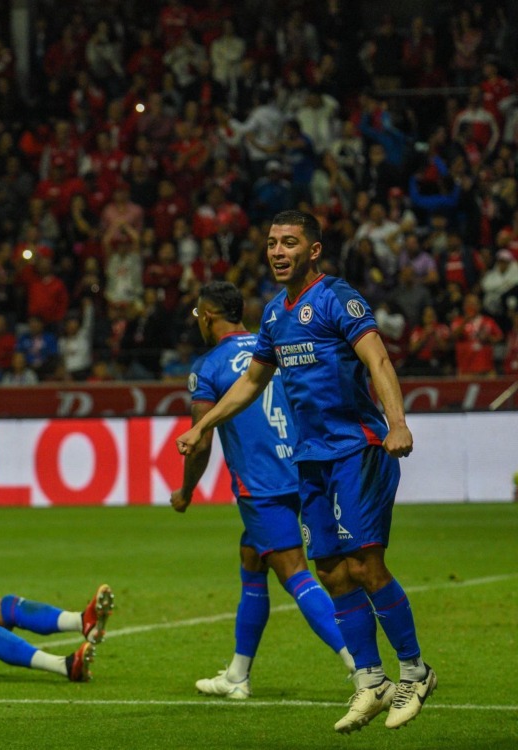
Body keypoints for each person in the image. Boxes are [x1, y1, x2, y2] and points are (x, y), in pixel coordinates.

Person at [177, 211, 435, 733]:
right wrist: (204, 424)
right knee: (332, 572)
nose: (278, 251)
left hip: (356, 449)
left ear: (313, 251)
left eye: (289, 243)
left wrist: (397, 423)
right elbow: (252, 383)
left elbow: (378, 361)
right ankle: (370, 680)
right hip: (310, 459)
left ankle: (415, 671)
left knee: (365, 564)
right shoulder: (274, 314)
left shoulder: (337, 298)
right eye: (273, 242)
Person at [171, 281, 354, 700]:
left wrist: (186, 491)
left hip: (262, 485)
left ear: (209, 316)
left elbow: (201, 441)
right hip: (305, 468)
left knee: (294, 571)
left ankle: (361, 664)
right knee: (252, 557)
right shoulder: (273, 345)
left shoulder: (209, 366)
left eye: (198, 315)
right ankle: (238, 675)